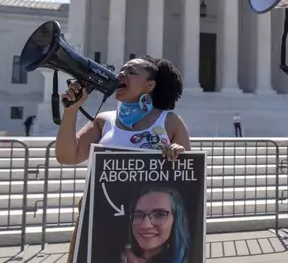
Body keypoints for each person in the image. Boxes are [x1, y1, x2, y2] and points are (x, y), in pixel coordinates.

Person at [56, 55, 192, 263]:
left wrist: (177, 151)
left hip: (148, 228)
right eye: (121, 70)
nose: (121, 75)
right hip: (101, 218)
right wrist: (71, 111)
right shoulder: (103, 121)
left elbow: (187, 179)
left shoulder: (170, 121)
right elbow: (67, 156)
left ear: (150, 85)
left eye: (131, 71)